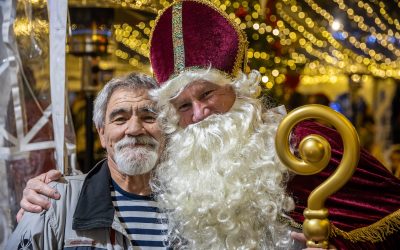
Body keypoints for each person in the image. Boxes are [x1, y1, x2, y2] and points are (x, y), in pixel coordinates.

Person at [16, 0, 400, 249]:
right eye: (182, 105)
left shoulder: (297, 144)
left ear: (239, 89)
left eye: (208, 95)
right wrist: (43, 202)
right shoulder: (172, 167)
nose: (198, 114)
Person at [6, 73, 168, 249]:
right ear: (102, 135)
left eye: (149, 117)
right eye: (120, 119)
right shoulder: (57, 201)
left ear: (166, 130)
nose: (135, 129)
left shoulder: (191, 207)